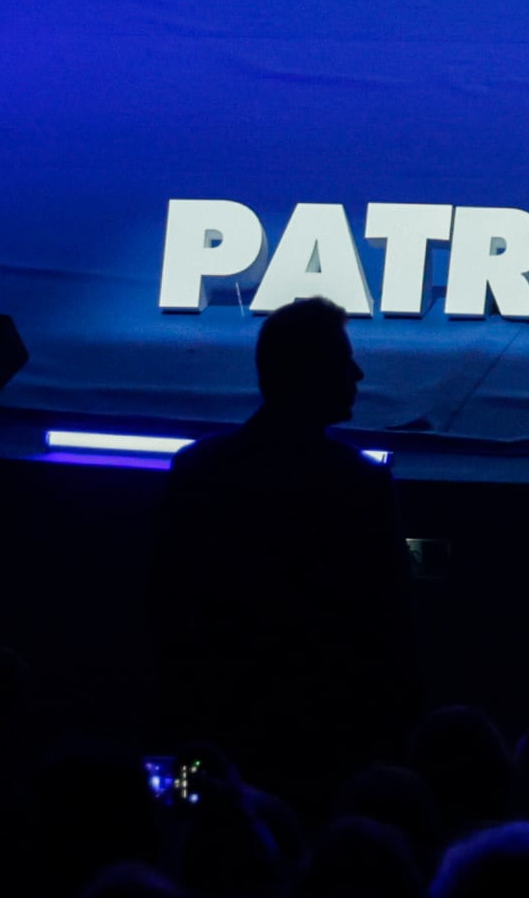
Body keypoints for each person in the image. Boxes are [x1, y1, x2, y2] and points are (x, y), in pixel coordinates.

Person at [146, 299, 416, 791]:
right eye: (342, 362)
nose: (357, 373)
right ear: (308, 373)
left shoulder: (198, 470)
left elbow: (163, 606)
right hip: (325, 741)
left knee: (201, 830)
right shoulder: (360, 484)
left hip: (214, 727)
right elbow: (390, 621)